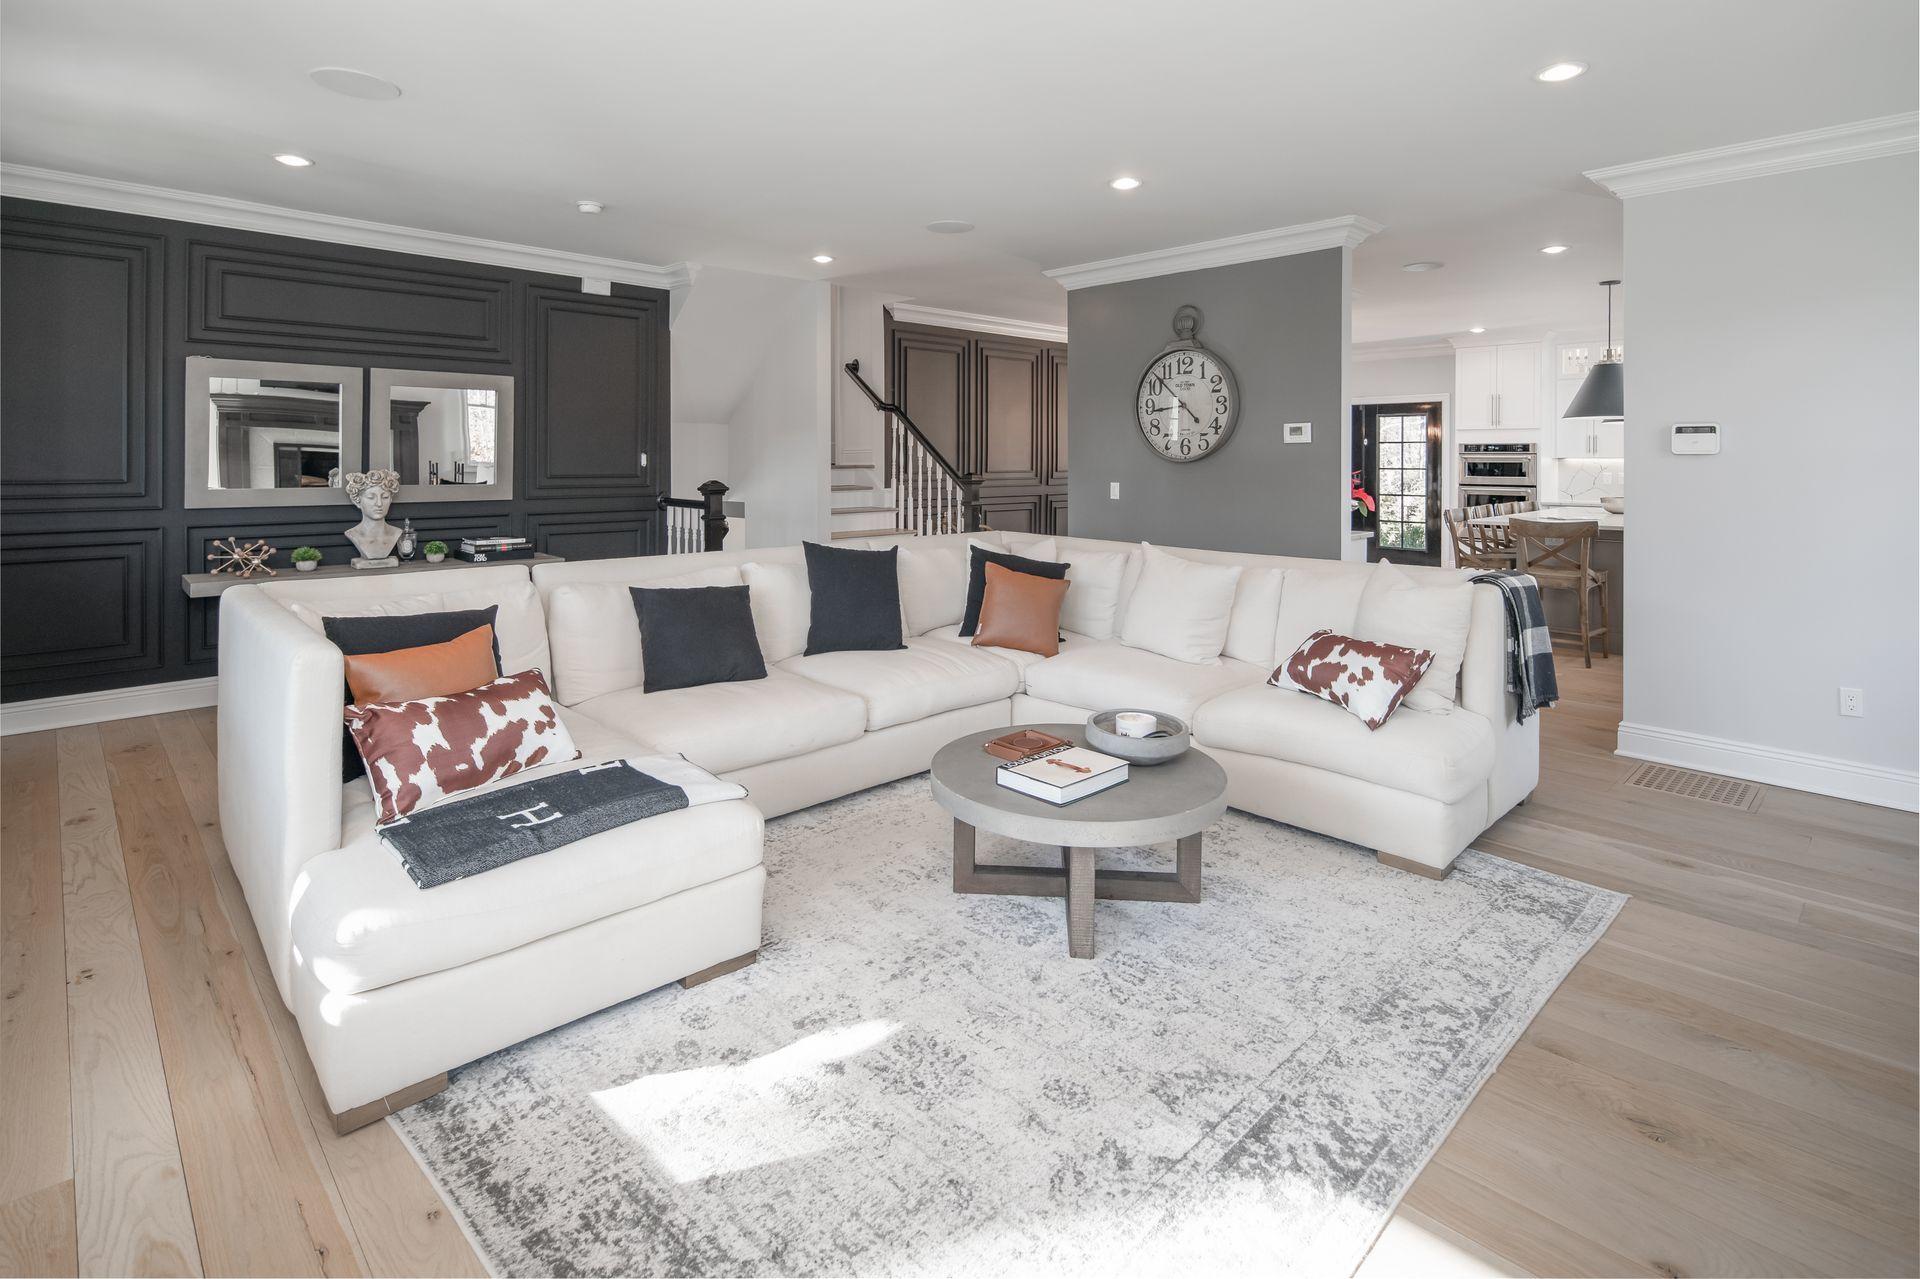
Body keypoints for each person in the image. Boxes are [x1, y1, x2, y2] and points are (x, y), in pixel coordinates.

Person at [342, 469, 403, 563]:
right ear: (357, 501)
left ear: (390, 500)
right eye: (371, 497)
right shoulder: (353, 534)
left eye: (385, 497)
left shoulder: (396, 533)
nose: (379, 503)